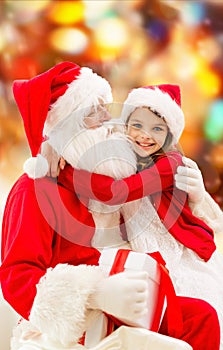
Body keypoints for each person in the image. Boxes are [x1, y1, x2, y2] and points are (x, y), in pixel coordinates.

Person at [0, 62, 220, 350]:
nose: (108, 119)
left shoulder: (112, 169)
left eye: (106, 107)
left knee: (201, 317)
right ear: (69, 126)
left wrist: (197, 196)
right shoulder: (34, 189)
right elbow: (17, 277)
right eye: (93, 112)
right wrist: (95, 294)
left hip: (130, 299)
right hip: (77, 322)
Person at [60, 83, 223, 347]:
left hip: (180, 255)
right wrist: (58, 152)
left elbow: (115, 192)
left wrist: (199, 197)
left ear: (170, 134)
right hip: (139, 256)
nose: (145, 136)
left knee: (198, 308)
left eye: (157, 128)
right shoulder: (116, 156)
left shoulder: (172, 163)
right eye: (137, 125)